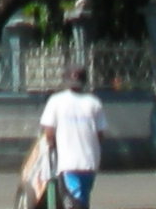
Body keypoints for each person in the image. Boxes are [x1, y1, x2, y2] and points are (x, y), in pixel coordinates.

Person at [37, 63, 106, 207]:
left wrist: (53, 146)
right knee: (83, 197)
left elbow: (49, 133)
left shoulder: (56, 101)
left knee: (75, 201)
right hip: (90, 161)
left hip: (68, 162)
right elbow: (100, 135)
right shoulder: (94, 103)